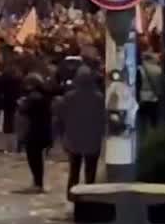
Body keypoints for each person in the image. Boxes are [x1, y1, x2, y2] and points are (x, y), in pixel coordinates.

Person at [55, 65, 106, 199]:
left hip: (74, 138)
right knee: (90, 171)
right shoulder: (99, 97)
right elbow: (102, 118)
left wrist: (63, 133)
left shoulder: (69, 96)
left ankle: (72, 196)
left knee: (74, 171)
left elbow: (62, 116)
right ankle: (90, 196)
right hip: (92, 138)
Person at [18, 73, 55, 193]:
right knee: (38, 158)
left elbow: (24, 110)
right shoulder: (45, 96)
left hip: (35, 132)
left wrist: (21, 103)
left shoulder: (34, 97)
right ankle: (38, 182)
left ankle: (37, 183)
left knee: (34, 158)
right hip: (44, 130)